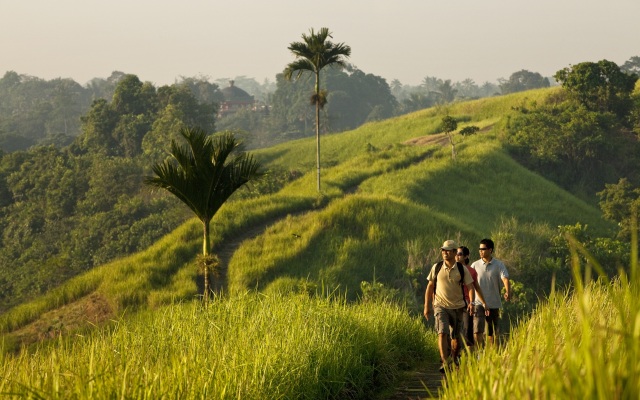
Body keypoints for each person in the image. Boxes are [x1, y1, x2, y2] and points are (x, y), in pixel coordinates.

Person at [424, 240, 489, 373]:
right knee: (442, 332)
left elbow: (471, 287)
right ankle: (444, 361)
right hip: (440, 305)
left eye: (448, 250)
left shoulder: (462, 269)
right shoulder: (436, 267)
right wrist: (427, 306)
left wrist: (471, 302)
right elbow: (430, 287)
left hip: (458, 307)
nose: (444, 253)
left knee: (455, 338)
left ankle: (453, 359)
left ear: (454, 252)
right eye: (443, 250)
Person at [471, 238, 511, 347]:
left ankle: (491, 355)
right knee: (477, 330)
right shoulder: (474, 265)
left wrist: (507, 291)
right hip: (478, 302)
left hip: (493, 303)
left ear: (490, 250)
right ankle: (479, 353)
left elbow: (505, 278)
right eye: (479, 249)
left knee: (491, 332)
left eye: (483, 249)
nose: (480, 251)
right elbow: (469, 283)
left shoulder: (499, 265)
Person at [456, 246, 477, 350]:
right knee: (454, 331)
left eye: (459, 254)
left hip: (466, 303)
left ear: (466, 256)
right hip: (453, 302)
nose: (457, 256)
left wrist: (472, 303)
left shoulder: (471, 271)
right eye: (456, 253)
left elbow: (474, 288)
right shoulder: (451, 269)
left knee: (468, 331)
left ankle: (469, 359)